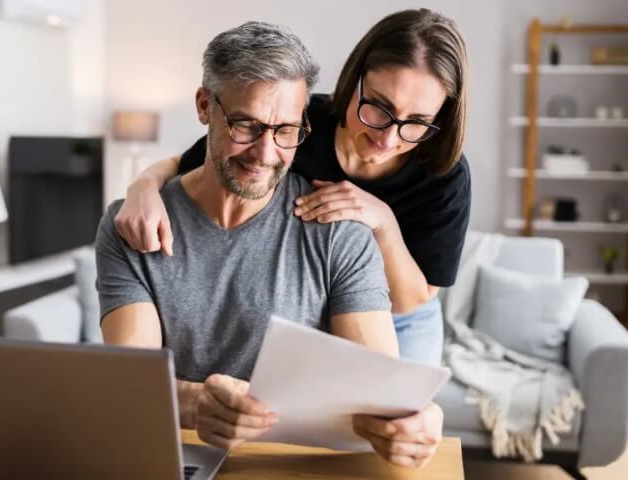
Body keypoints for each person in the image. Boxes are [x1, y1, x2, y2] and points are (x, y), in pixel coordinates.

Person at [97, 21, 443, 469]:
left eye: (286, 131)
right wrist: (194, 403)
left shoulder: (340, 231)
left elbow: (381, 393)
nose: (265, 154)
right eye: (247, 125)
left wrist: (422, 418)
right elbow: (130, 382)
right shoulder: (135, 225)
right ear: (204, 106)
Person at [115, 9, 471, 367]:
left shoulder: (443, 172)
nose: (388, 137)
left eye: (417, 122)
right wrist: (143, 187)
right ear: (354, 80)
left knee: (399, 417)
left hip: (403, 319)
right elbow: (190, 163)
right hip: (325, 302)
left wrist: (383, 221)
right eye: (378, 107)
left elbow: (412, 299)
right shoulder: (292, 122)